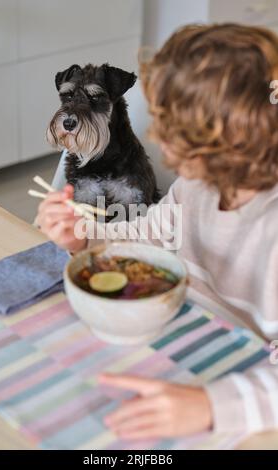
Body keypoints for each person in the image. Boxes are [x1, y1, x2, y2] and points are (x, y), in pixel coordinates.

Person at [35, 24, 278, 440]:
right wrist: (84, 237)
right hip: (172, 336)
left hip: (239, 384)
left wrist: (210, 406)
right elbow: (146, 237)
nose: (158, 139)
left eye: (170, 126)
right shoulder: (197, 186)